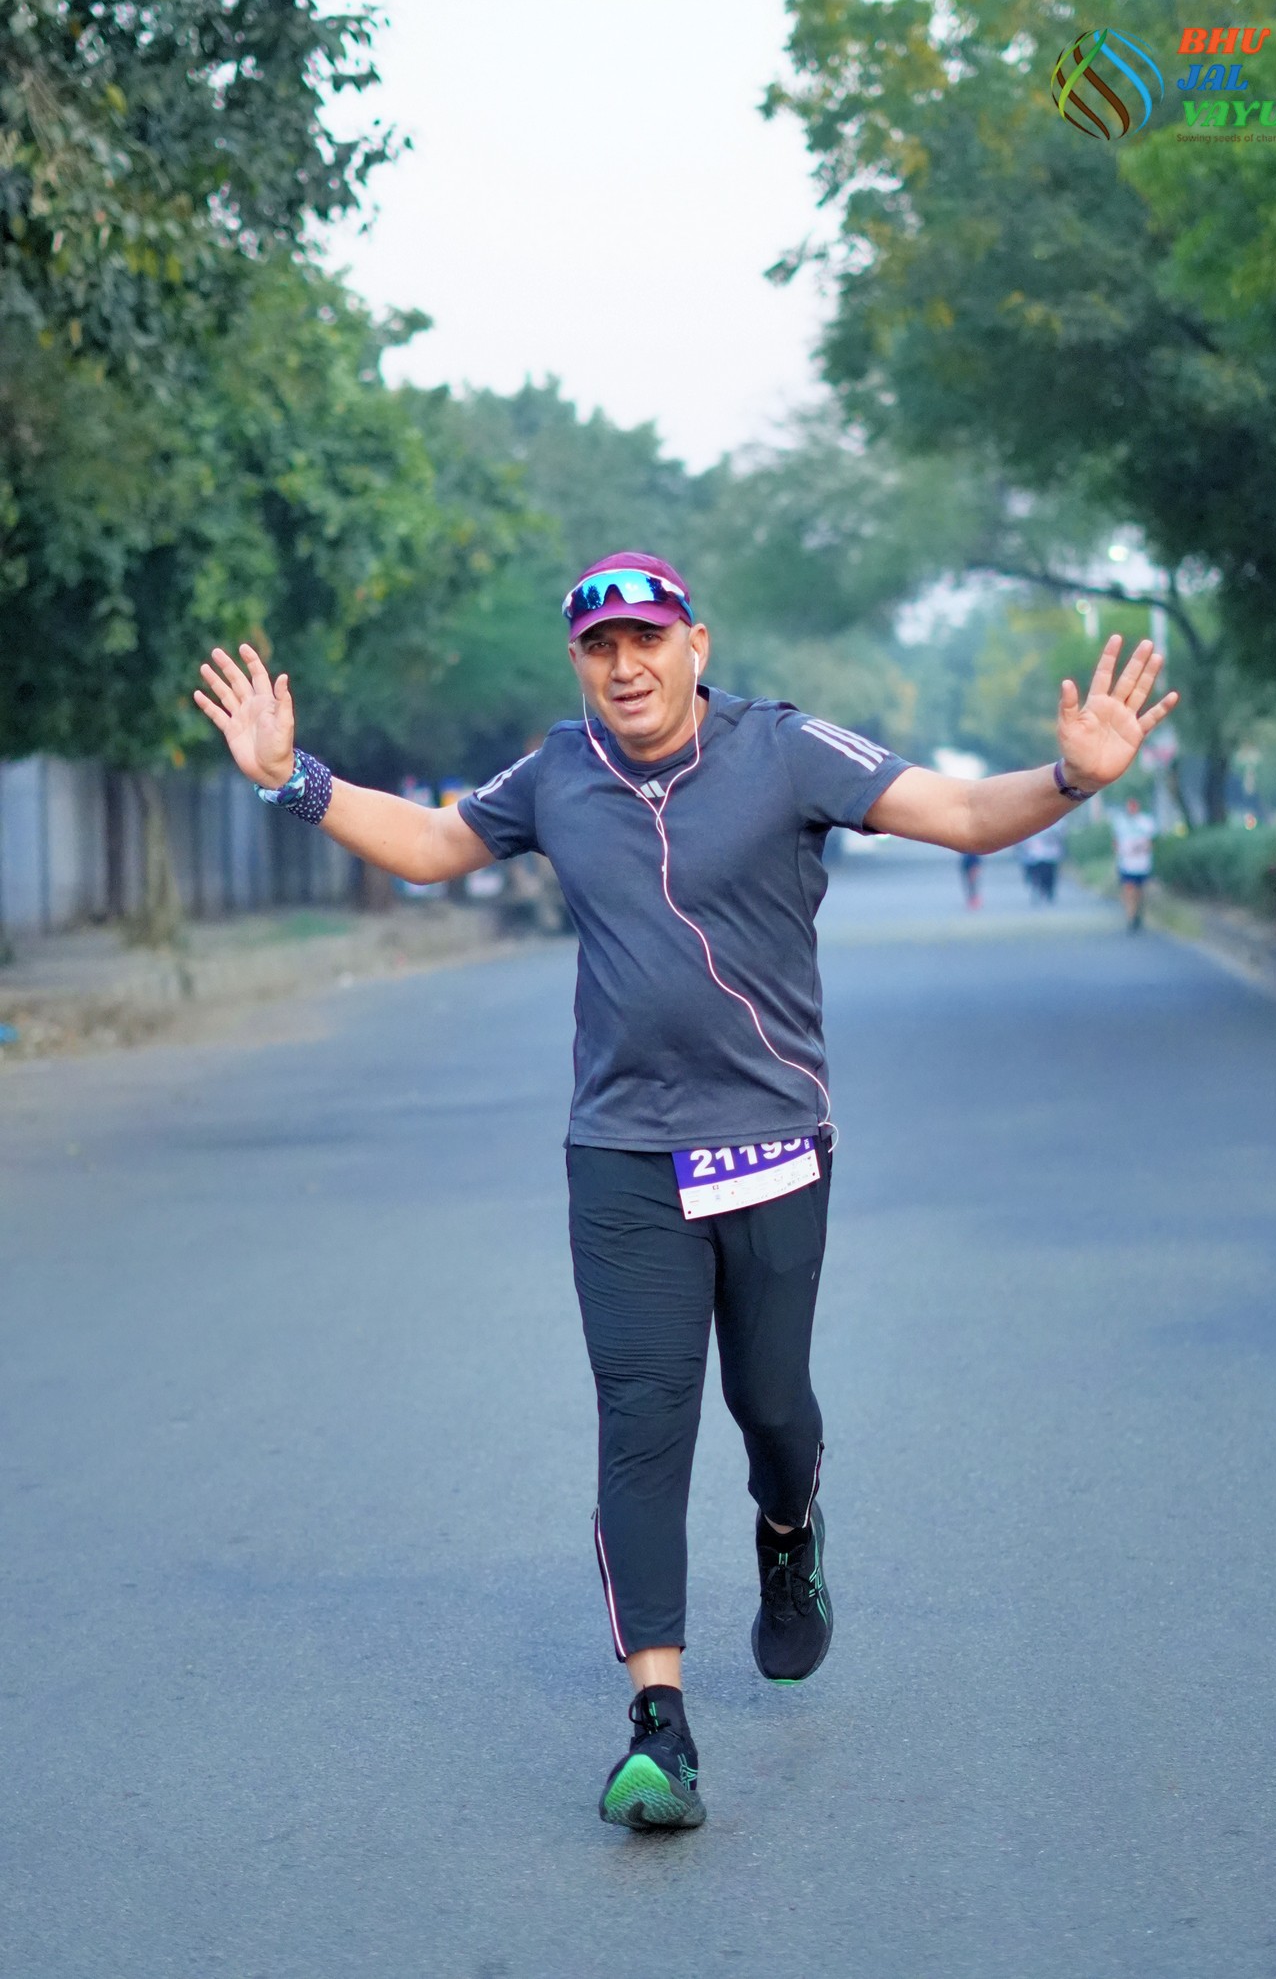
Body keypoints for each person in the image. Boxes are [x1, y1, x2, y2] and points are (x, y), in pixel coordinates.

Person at [194, 551, 1177, 1832]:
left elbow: (957, 812)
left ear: (694, 646)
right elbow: (434, 844)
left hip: (771, 1143)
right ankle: (658, 1724)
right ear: (578, 664)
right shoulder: (557, 772)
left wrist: (1069, 779)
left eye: (647, 639)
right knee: (641, 1420)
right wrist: (294, 778)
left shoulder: (784, 750)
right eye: (599, 648)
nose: (625, 666)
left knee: (770, 1403)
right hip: (622, 1155)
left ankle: (788, 1532)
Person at [1110, 795, 1157, 931]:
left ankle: (1138, 913)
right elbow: (1115, 842)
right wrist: (1120, 852)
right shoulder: (1120, 823)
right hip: (1126, 864)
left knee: (1140, 892)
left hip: (1142, 864)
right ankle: (1130, 917)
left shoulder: (1146, 822)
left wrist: (1141, 848)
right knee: (1129, 890)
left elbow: (1151, 842)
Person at [1016, 819, 1067, 903]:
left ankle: (1049, 890)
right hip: (1033, 853)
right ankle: (1037, 889)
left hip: (1050, 853)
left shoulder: (1056, 819)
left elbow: (1061, 832)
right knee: (1035, 874)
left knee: (1049, 874)